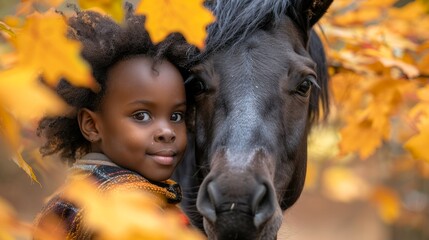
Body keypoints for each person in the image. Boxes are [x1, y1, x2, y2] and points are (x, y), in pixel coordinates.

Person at [33, 3, 196, 239]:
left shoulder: (65, 201)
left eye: (176, 116)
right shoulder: (138, 210)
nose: (166, 131)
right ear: (92, 125)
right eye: (141, 116)